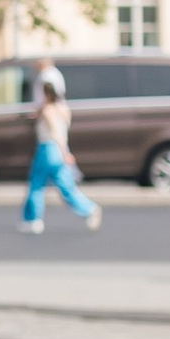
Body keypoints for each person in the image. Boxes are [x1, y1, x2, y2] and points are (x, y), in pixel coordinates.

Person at [21, 61, 101, 231]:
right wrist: (65, 151)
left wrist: (64, 151)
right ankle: (89, 208)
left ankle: (33, 220)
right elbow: (63, 128)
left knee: (36, 184)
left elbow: (54, 132)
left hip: (49, 148)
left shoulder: (47, 110)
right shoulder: (64, 109)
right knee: (66, 186)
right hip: (61, 149)